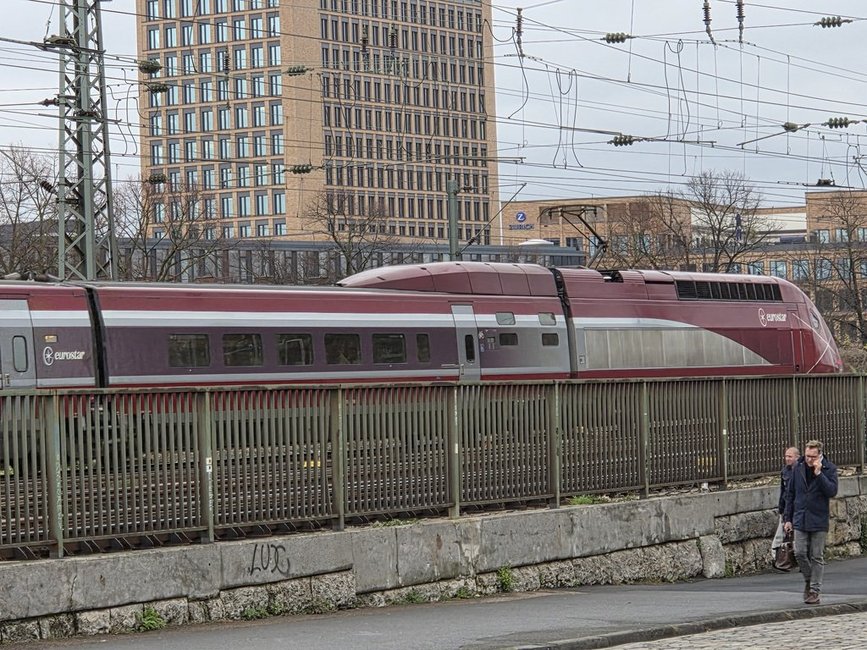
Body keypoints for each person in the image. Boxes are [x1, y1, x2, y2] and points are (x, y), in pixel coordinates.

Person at [784, 440, 838, 605]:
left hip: (818, 518)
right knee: (799, 552)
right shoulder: (798, 468)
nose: (809, 459)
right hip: (800, 517)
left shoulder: (829, 468)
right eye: (807, 455)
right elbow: (790, 494)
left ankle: (814, 590)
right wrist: (787, 519)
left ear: (819, 455)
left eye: (812, 457)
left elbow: (832, 491)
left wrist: (819, 474)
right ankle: (810, 579)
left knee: (816, 556)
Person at [771, 446, 799, 569]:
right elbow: (783, 492)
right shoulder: (785, 471)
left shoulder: (801, 472)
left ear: (797, 457)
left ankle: (799, 560)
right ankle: (776, 559)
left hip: (797, 508)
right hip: (787, 507)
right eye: (786, 456)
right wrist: (781, 509)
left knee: (798, 537)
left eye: (790, 456)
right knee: (780, 535)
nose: (787, 458)